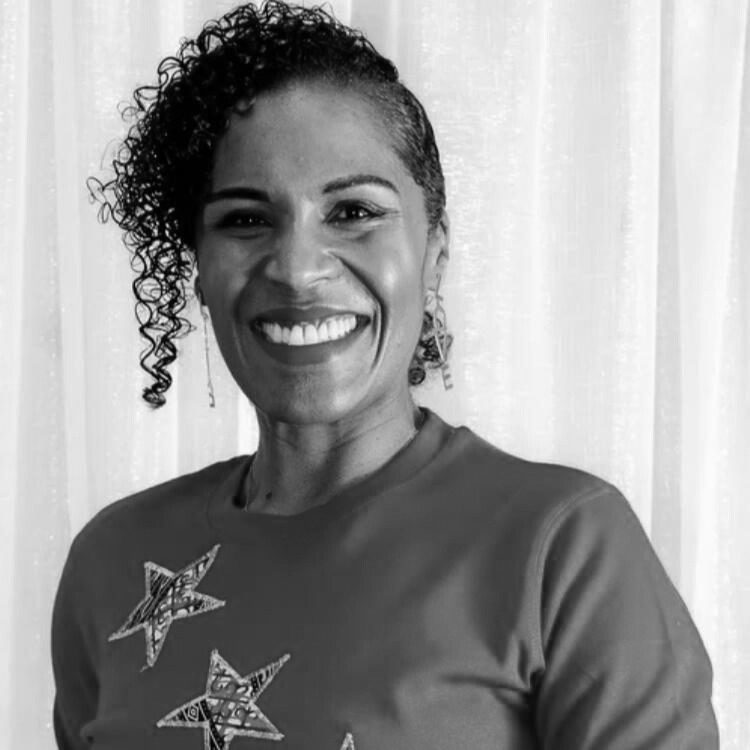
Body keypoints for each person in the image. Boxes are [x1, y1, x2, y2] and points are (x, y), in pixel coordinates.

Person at [51, 2, 719, 749]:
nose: (297, 269)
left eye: (353, 211)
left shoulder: (563, 548)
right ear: (199, 270)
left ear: (434, 252)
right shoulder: (112, 562)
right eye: (245, 219)